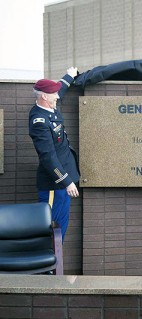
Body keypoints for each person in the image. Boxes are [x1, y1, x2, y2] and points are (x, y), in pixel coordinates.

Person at [29, 67, 80, 241]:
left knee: (61, 225)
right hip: (55, 183)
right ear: (44, 96)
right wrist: (66, 181)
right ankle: (47, 263)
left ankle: (55, 262)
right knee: (50, 226)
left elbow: (60, 89)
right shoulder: (39, 121)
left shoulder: (49, 107)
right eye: (53, 95)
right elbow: (48, 157)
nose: (58, 97)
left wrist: (70, 76)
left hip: (64, 181)